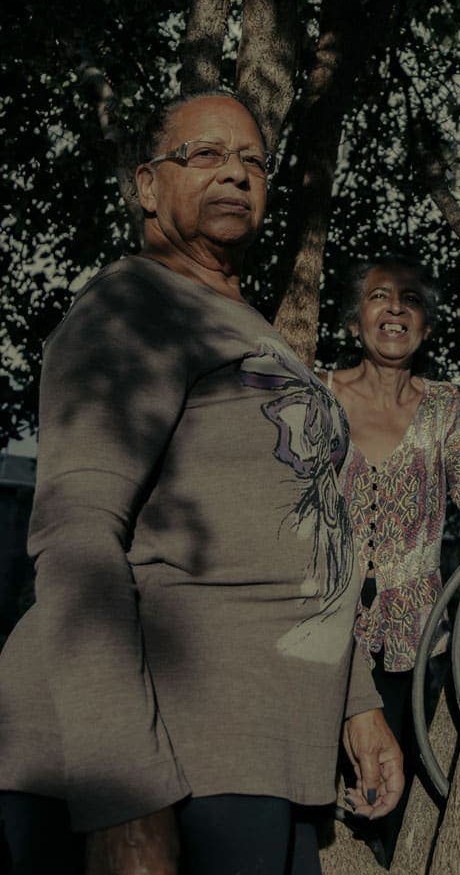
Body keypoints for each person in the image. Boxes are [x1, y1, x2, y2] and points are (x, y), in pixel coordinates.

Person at [0, 93, 402, 875]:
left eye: (253, 159)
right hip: (162, 760)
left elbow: (301, 524)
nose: (237, 173)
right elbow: (76, 536)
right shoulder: (134, 304)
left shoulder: (246, 324)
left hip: (253, 758)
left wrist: (356, 701)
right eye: (207, 154)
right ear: (148, 185)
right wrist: (122, 791)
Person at [322, 254, 460, 865]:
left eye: (409, 300)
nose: (394, 308)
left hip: (419, 647)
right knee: (319, 808)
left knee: (394, 804)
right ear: (355, 319)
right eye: (379, 296)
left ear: (426, 327)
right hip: (323, 638)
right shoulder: (315, 392)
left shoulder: (442, 405)